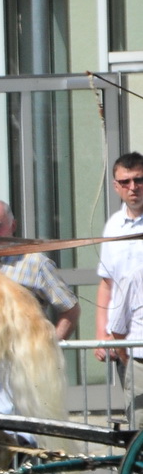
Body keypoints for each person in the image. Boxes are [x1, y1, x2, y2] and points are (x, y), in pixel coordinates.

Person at [0, 199, 79, 339]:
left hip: (23, 356)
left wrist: (53, 347)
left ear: (13, 225)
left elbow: (71, 309)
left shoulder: (35, 262)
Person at [96, 153, 143, 364]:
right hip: (122, 343)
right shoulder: (113, 226)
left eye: (139, 179)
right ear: (116, 187)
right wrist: (101, 336)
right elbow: (107, 284)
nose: (133, 187)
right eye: (125, 182)